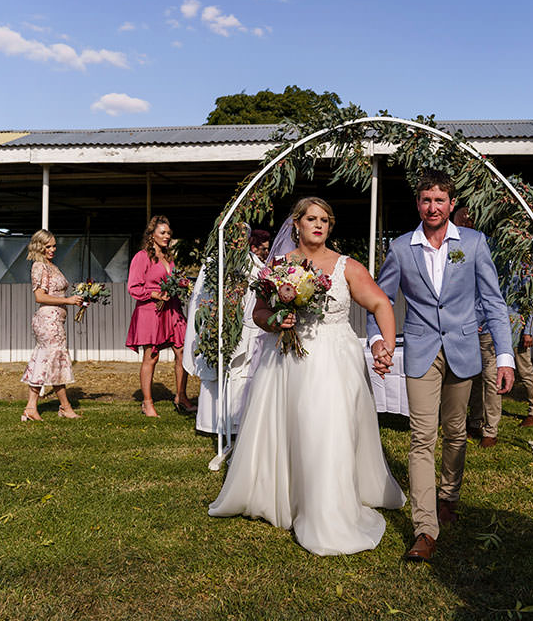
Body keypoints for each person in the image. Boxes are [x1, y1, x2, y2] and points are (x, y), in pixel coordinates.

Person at [209, 198, 405, 556]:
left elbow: (381, 304)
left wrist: (386, 348)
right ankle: (287, 496)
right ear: (296, 224)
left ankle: (329, 506)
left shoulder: (347, 266)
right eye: (311, 219)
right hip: (286, 360)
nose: (318, 225)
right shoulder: (280, 266)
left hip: (334, 359)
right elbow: (259, 313)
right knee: (289, 427)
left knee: (328, 429)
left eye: (325, 220)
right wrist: (276, 321)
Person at [368, 170, 514, 562]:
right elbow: (379, 300)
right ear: (418, 204)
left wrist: (504, 357)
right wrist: (378, 339)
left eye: (440, 200)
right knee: (421, 436)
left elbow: (495, 303)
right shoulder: (401, 248)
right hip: (420, 350)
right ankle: (424, 528)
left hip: (464, 348)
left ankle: (449, 495)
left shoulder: (474, 243)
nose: (433, 207)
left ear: (451, 204)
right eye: (426, 200)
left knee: (455, 432)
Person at [452, 207, 533, 447]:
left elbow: (497, 291)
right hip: (461, 327)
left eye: (468, 221)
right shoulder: (448, 247)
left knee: (490, 378)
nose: (464, 224)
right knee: (468, 377)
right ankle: (473, 421)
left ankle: (491, 430)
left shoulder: (491, 248)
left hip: (486, 327)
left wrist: (485, 319)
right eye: (459, 221)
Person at [193, 227, 269, 435]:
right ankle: (210, 422)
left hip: (247, 323)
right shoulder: (214, 262)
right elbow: (204, 293)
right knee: (219, 369)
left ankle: (236, 419)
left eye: (243, 236)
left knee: (242, 368)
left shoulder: (253, 262)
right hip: (221, 320)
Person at [126, 215, 191, 418]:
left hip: (172, 309)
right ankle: (147, 403)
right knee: (151, 356)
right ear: (152, 234)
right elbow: (134, 286)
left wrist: (182, 284)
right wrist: (154, 293)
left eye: (169, 233)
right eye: (162, 232)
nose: (167, 236)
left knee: (182, 351)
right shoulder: (142, 257)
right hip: (151, 311)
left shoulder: (168, 258)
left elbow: (173, 280)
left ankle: (181, 396)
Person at [19, 229, 83, 421]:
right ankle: (65, 406)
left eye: (54, 245)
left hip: (55, 320)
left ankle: (31, 407)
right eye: (48, 246)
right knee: (54, 360)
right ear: (39, 246)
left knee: (45, 360)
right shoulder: (39, 267)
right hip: (48, 321)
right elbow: (39, 296)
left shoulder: (51, 266)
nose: (53, 249)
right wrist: (68, 301)